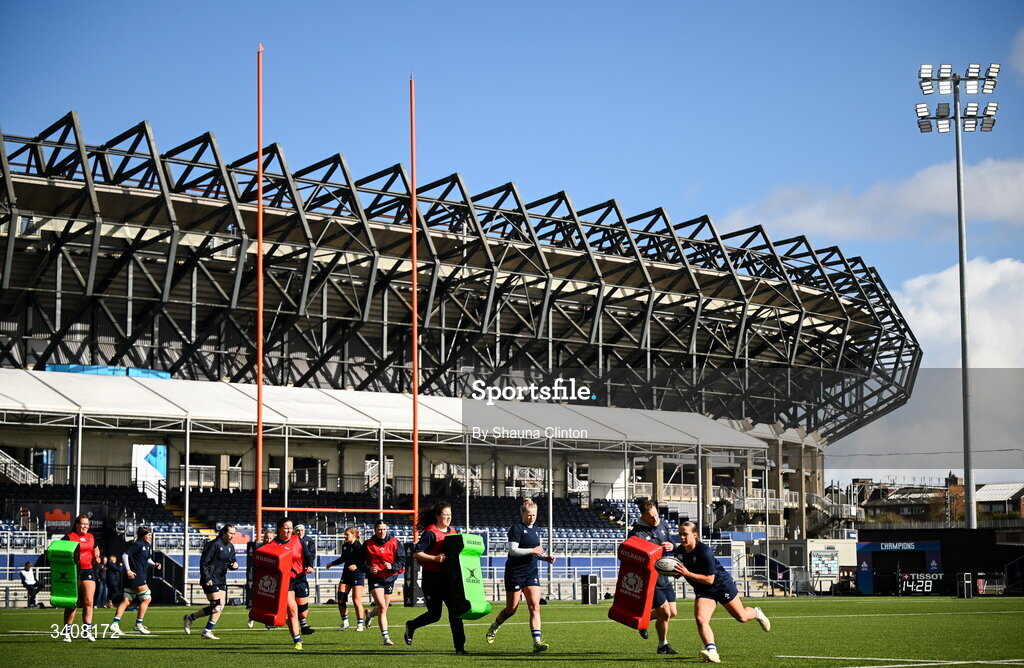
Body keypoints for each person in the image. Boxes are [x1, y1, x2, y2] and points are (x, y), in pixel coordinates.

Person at [674, 521, 770, 664]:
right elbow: (678, 574)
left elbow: (709, 580)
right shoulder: (679, 552)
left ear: (695, 535)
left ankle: (756, 613)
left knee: (742, 617)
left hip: (721, 585)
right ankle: (712, 652)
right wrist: (671, 570)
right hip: (703, 589)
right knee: (701, 619)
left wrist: (686, 573)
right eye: (680, 534)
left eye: (685, 534)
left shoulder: (704, 551)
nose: (682, 537)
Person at [485, 498, 555, 653]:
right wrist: (533, 551)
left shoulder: (536, 530)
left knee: (535, 606)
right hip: (515, 573)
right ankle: (495, 626)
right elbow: (513, 551)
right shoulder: (516, 528)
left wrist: (545, 558)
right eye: (529, 515)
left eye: (534, 515)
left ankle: (537, 642)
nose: (532, 517)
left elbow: (535, 554)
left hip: (531, 573)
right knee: (511, 609)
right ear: (522, 514)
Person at [404, 502, 467, 654]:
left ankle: (460, 648)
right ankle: (411, 625)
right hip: (431, 579)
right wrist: (434, 558)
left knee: (456, 614)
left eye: (450, 515)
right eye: (445, 514)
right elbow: (416, 553)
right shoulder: (430, 533)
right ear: (438, 516)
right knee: (434, 615)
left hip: (449, 579)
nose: (448, 517)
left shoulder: (453, 531)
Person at [628, 499, 679, 655]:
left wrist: (672, 546)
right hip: (650, 579)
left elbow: (671, 543)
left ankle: (642, 622)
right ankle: (663, 645)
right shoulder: (637, 533)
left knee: (673, 612)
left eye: (656, 515)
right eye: (651, 517)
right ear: (643, 516)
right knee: (665, 612)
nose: (655, 519)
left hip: (664, 577)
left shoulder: (662, 525)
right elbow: (636, 556)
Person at [184, 523, 239, 640]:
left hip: (221, 579)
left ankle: (200, 626)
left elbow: (231, 561)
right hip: (210, 579)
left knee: (220, 606)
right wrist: (207, 578)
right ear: (224, 532)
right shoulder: (213, 544)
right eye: (230, 533)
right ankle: (196, 623)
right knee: (217, 605)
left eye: (234, 534)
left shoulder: (230, 546)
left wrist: (234, 565)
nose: (232, 536)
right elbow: (204, 563)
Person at [110, 526, 162, 637]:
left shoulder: (146, 545)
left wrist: (155, 564)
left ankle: (115, 624)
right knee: (147, 598)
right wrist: (128, 570)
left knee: (126, 601)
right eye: (148, 535)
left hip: (137, 576)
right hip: (136, 576)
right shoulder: (137, 544)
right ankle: (139, 624)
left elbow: (147, 559)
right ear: (143, 535)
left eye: (150, 535)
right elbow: (125, 555)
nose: (150, 537)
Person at [361, 519, 405, 646]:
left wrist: (392, 566)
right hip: (375, 578)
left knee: (383, 608)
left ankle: (369, 614)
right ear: (375, 530)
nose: (382, 532)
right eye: (379, 529)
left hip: (390, 578)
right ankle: (386, 637)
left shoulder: (395, 542)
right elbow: (359, 562)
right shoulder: (368, 544)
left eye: (384, 529)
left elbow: (402, 559)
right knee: (382, 606)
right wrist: (369, 568)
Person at [274, 517, 314, 650]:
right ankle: (297, 640)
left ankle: (290, 622)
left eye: (290, 528)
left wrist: (309, 566)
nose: (289, 530)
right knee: (292, 610)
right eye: (286, 528)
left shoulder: (298, 540)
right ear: (279, 528)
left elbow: (307, 556)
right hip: (286, 581)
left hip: (301, 578)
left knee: (302, 614)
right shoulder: (274, 545)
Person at [60, 514, 100, 642]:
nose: (85, 526)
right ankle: (67, 632)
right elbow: (58, 550)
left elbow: (95, 548)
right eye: (82, 523)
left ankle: (87, 631)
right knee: (72, 603)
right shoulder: (69, 537)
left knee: (89, 602)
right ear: (77, 524)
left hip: (88, 571)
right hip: (73, 572)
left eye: (87, 524)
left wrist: (97, 556)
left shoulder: (91, 537)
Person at [325, 527, 365, 631]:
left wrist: (356, 566)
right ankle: (345, 623)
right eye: (345, 534)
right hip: (346, 575)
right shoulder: (345, 546)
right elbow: (343, 558)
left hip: (358, 575)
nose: (345, 536)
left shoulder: (359, 547)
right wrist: (332, 563)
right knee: (341, 600)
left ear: (353, 535)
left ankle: (360, 624)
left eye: (347, 534)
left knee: (356, 601)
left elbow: (364, 561)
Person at [246, 528, 275, 628]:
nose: (268, 540)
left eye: (270, 538)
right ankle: (251, 617)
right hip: (261, 578)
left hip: (272, 579)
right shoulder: (259, 549)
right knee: (258, 602)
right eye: (266, 538)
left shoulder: (277, 549)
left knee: (270, 602)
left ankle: (268, 622)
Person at [294, 524, 317, 636]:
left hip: (301, 575)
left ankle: (303, 625)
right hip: (290, 576)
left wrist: (309, 566)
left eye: (302, 530)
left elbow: (311, 555)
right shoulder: (290, 541)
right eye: (297, 530)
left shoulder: (308, 541)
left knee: (303, 611)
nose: (300, 532)